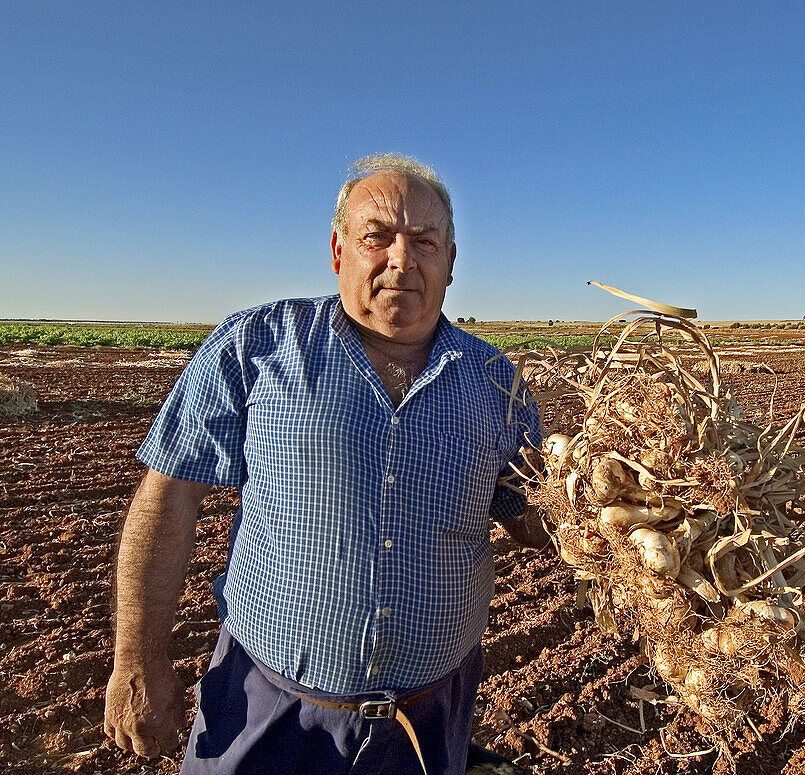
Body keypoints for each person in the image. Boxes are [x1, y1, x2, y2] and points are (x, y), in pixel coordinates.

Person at [103, 154, 547, 774]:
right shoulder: (255, 346)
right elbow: (167, 497)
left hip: (426, 721)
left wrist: (644, 509)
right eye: (378, 236)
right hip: (267, 709)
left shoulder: (496, 383)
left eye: (424, 241)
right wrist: (137, 659)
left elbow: (541, 517)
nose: (401, 260)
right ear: (339, 251)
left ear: (450, 261)